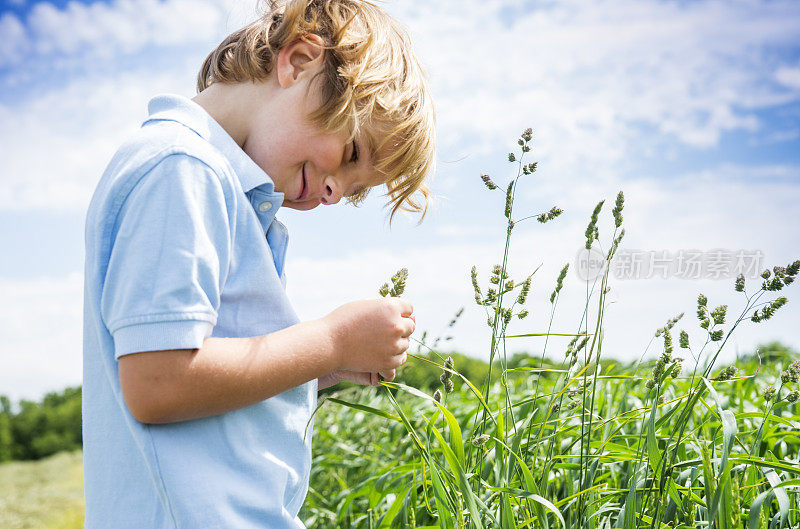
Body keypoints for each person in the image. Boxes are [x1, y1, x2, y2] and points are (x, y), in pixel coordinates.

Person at [81, 1, 435, 527]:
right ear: (296, 62)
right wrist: (330, 340)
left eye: (356, 193)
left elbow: (204, 379)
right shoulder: (183, 170)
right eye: (352, 153)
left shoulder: (223, 191)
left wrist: (323, 368)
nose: (337, 192)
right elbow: (158, 382)